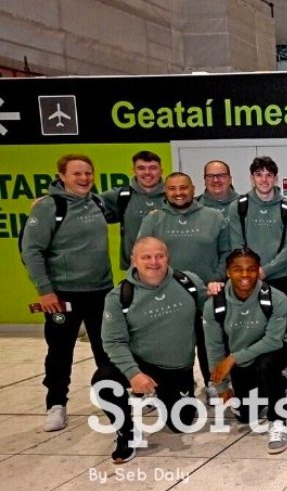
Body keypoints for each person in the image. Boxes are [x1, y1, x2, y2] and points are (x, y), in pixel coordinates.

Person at [22, 154, 117, 432]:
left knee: (107, 350)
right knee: (60, 351)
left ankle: (112, 400)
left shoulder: (98, 202)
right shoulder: (49, 207)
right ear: (62, 176)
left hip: (101, 291)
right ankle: (56, 404)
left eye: (88, 173)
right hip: (63, 295)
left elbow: (136, 197)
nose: (84, 178)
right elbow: (32, 251)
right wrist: (45, 291)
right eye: (77, 174)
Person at [98, 237, 207, 463]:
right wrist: (133, 374)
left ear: (168, 258)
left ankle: (177, 393)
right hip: (142, 364)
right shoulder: (119, 297)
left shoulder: (189, 282)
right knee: (103, 381)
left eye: (159, 256)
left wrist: (217, 290)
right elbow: (113, 341)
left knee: (181, 424)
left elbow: (214, 311)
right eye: (146, 257)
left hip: (177, 367)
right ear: (134, 261)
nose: (154, 262)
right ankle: (127, 434)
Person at [137, 172, 231, 391]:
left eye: (183, 188)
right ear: (166, 191)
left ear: (193, 188)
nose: (178, 193)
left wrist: (215, 279)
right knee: (173, 343)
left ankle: (214, 383)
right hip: (167, 294)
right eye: (172, 189)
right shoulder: (153, 219)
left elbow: (226, 253)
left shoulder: (214, 217)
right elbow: (142, 255)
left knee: (209, 341)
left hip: (207, 293)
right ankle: (180, 385)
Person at [203, 248, 287, 454]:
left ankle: (278, 422)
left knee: (266, 365)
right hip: (242, 360)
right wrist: (221, 386)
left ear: (258, 271)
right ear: (227, 272)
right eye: (238, 269)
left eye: (251, 269)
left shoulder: (275, 298)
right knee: (246, 415)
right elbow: (214, 346)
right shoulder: (215, 304)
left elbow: (273, 341)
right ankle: (285, 381)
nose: (245, 275)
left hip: (273, 351)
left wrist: (234, 358)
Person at [227, 156, 287, 299]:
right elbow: (237, 244)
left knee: (281, 319)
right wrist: (251, 270)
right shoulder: (237, 206)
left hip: (282, 277)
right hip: (247, 276)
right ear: (252, 178)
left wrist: (266, 270)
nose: (264, 180)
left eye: (269, 175)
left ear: (275, 178)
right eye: (259, 175)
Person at [101, 150, 164, 270]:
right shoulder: (120, 196)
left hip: (169, 267)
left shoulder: (173, 196)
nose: (147, 172)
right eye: (141, 168)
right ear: (134, 171)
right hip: (133, 269)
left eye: (152, 168)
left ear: (161, 170)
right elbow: (85, 203)